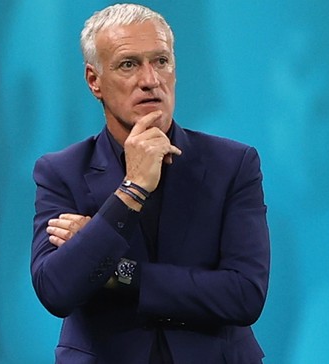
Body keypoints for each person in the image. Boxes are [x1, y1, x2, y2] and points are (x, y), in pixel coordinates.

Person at [30, 3, 270, 363]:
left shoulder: (233, 164)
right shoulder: (61, 171)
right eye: (129, 64)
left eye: (161, 61)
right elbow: (56, 289)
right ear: (94, 80)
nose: (150, 79)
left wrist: (121, 273)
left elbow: (244, 294)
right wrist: (132, 190)